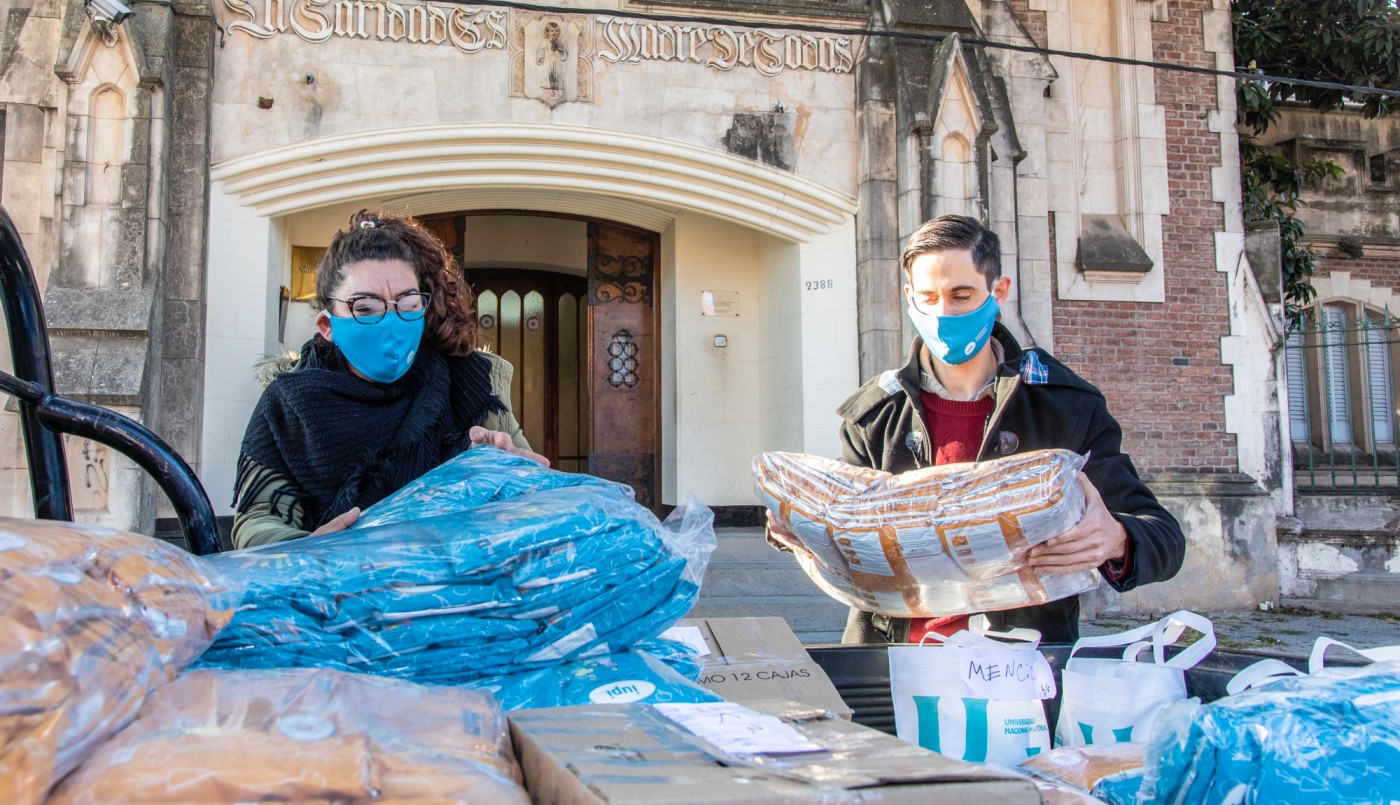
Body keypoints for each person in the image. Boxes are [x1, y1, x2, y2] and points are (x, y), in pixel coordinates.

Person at [770, 214, 1185, 644]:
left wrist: (1116, 539)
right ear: (909, 296)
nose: (943, 313)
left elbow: (1165, 539)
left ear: (998, 292)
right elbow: (843, 523)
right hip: (890, 660)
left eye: (961, 295)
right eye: (928, 298)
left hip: (1021, 664)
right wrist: (797, 524)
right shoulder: (875, 414)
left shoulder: (1066, 407)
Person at [231, 210, 545, 549]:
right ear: (327, 326)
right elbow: (258, 520)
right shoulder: (290, 404)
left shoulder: (473, 386)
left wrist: (510, 472)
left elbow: (533, 499)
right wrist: (305, 547)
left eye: (408, 304)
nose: (391, 323)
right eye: (365, 308)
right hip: (341, 577)